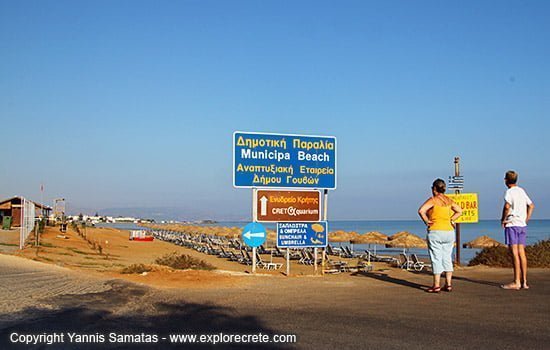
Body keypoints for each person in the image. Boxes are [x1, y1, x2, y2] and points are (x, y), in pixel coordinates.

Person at [418, 179, 462, 293]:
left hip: (436, 231)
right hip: (449, 231)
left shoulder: (433, 200)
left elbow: (421, 210)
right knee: (447, 257)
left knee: (436, 258)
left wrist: (427, 221)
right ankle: (448, 284)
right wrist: (452, 219)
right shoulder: (449, 200)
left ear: (434, 189)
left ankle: (436, 285)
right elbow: (459, 211)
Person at [500, 170, 535, 290]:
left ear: (506, 180)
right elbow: (531, 205)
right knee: (522, 253)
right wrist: (526, 219)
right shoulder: (521, 191)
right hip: (522, 225)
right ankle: (524, 281)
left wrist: (503, 219)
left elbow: (506, 206)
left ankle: (516, 281)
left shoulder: (509, 192)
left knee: (514, 253)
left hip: (512, 224)